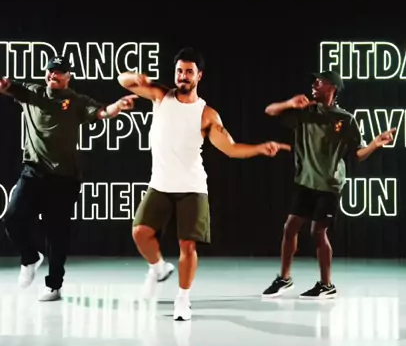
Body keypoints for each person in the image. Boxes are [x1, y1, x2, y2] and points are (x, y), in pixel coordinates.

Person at [118, 46, 290, 320]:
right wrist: (137, 77)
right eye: (179, 71)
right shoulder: (161, 95)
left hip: (192, 188)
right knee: (140, 232)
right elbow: (123, 80)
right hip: (160, 184)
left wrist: (259, 148)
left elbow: (230, 148)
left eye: (189, 72)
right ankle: (158, 268)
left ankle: (182, 299)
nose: (183, 76)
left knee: (188, 246)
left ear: (199, 76)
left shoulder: (207, 114)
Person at [0, 56, 137, 301]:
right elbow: (7, 85)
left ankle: (54, 285)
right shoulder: (32, 92)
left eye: (59, 72)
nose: (53, 75)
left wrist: (117, 106)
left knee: (56, 235)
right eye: (51, 71)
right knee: (12, 218)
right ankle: (30, 258)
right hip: (33, 172)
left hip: (64, 179)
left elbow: (102, 112)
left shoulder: (76, 101)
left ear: (68, 77)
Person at [261, 70, 395, 299]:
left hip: (329, 185)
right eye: (314, 81)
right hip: (305, 181)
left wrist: (375, 143)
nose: (314, 84)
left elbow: (357, 154)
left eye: (320, 82)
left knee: (317, 231)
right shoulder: (304, 112)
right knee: (290, 227)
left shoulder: (345, 119)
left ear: (332, 87)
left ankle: (326, 285)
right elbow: (270, 111)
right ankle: (284, 278)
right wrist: (290, 103)